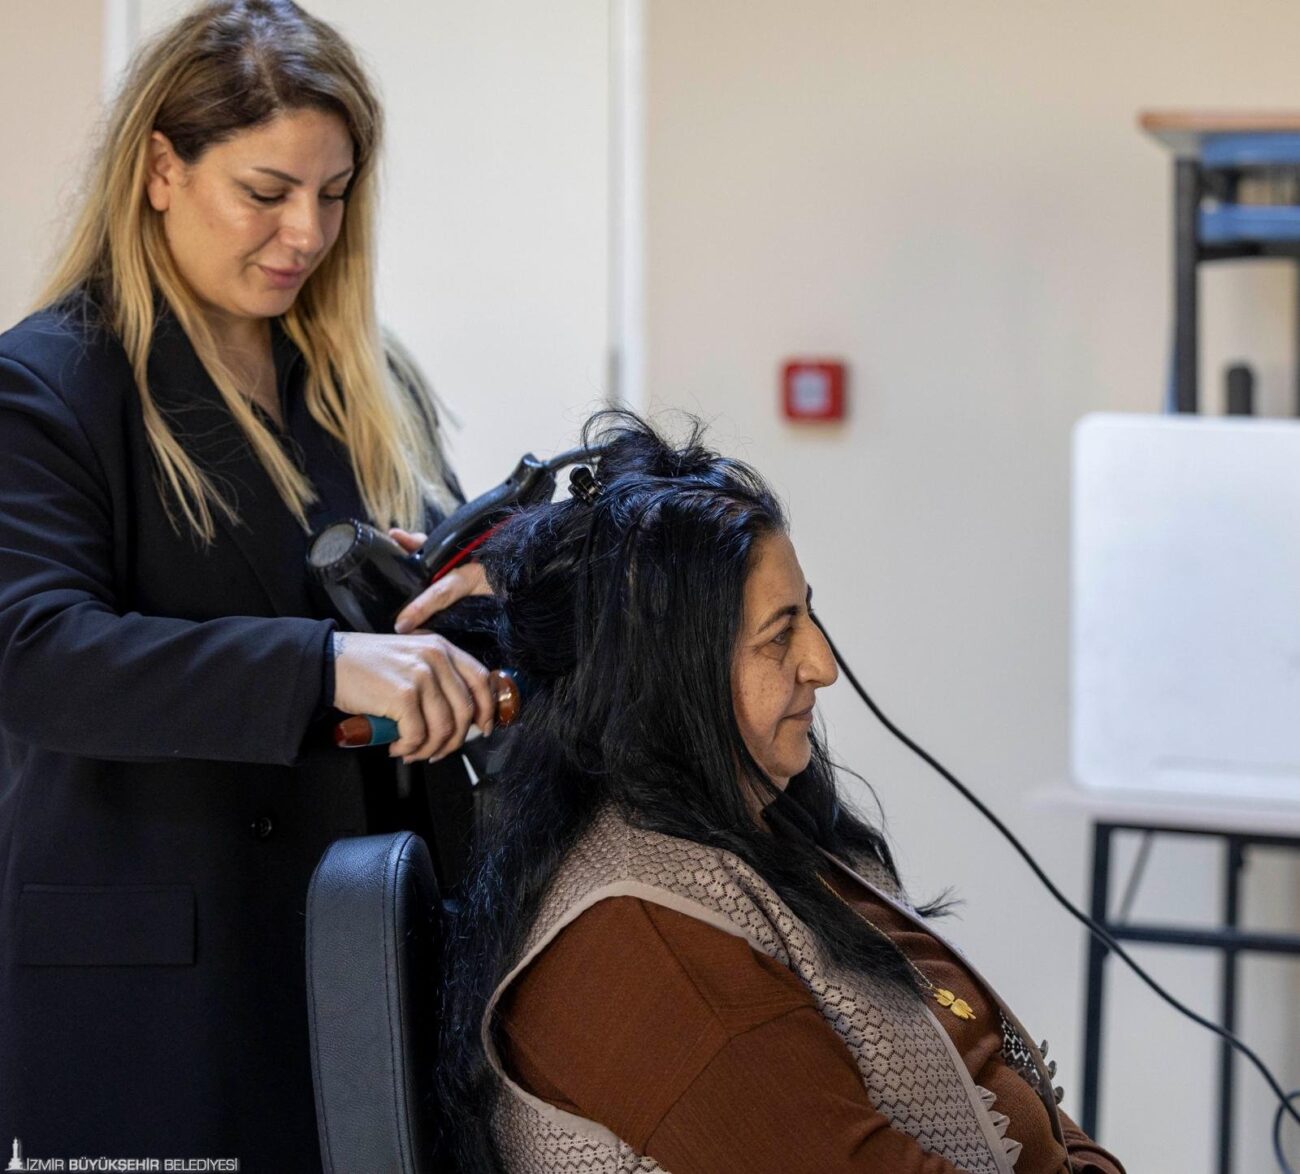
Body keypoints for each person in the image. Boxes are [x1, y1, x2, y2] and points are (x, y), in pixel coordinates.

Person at [0, 2, 497, 1167]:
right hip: (157, 992)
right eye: (266, 192)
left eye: (334, 194)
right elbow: (34, 655)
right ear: (160, 169)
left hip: (365, 956)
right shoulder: (48, 384)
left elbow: (451, 600)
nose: (305, 232)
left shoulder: (365, 379)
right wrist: (324, 667)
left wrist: (480, 593)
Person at [439, 413, 1126, 1174]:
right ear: (666, 679)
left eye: (808, 614)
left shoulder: (770, 830)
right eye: (779, 634)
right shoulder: (644, 948)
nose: (822, 664)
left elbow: (1005, 1076)